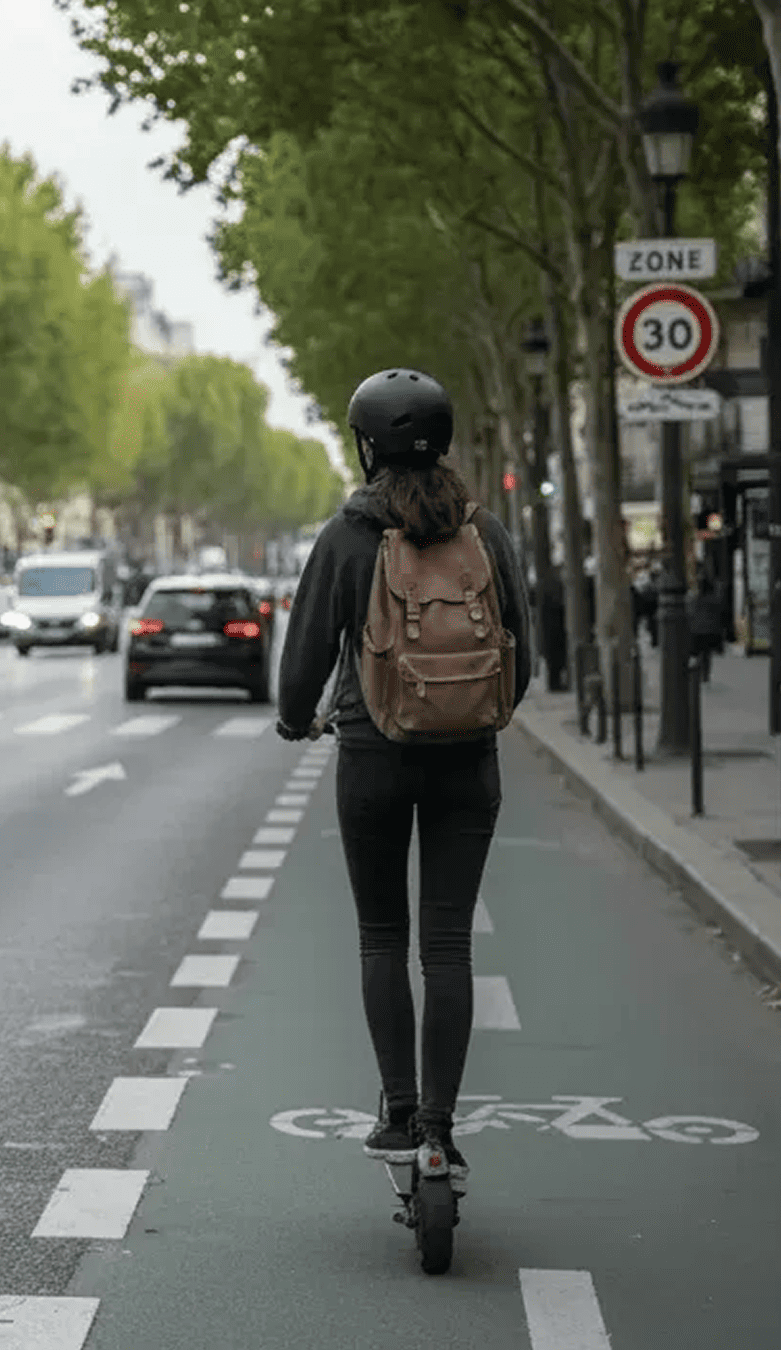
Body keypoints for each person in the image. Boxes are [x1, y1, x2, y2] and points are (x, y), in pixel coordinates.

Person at [276, 368, 532, 1192]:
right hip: (469, 764)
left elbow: (305, 658)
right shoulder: (484, 531)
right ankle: (440, 1132)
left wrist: (295, 716)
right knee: (448, 944)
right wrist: (478, 714)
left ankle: (396, 1110)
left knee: (384, 938)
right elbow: (522, 650)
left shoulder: (348, 535)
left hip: (373, 757)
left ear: (365, 446)